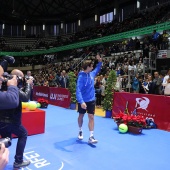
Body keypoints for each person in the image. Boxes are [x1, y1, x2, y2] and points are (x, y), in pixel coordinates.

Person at [0, 69, 32, 169]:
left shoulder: (3, 85)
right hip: (12, 122)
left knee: (7, 141)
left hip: (1, 121)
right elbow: (26, 97)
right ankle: (18, 161)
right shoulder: (13, 88)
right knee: (23, 134)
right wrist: (28, 84)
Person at [76, 54, 102, 144]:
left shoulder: (92, 74)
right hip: (83, 101)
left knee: (91, 117)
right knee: (81, 116)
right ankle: (80, 130)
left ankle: (91, 137)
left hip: (91, 100)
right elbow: (78, 90)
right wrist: (81, 101)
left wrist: (99, 62)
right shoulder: (81, 77)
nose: (92, 67)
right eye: (91, 66)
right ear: (88, 67)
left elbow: (97, 69)